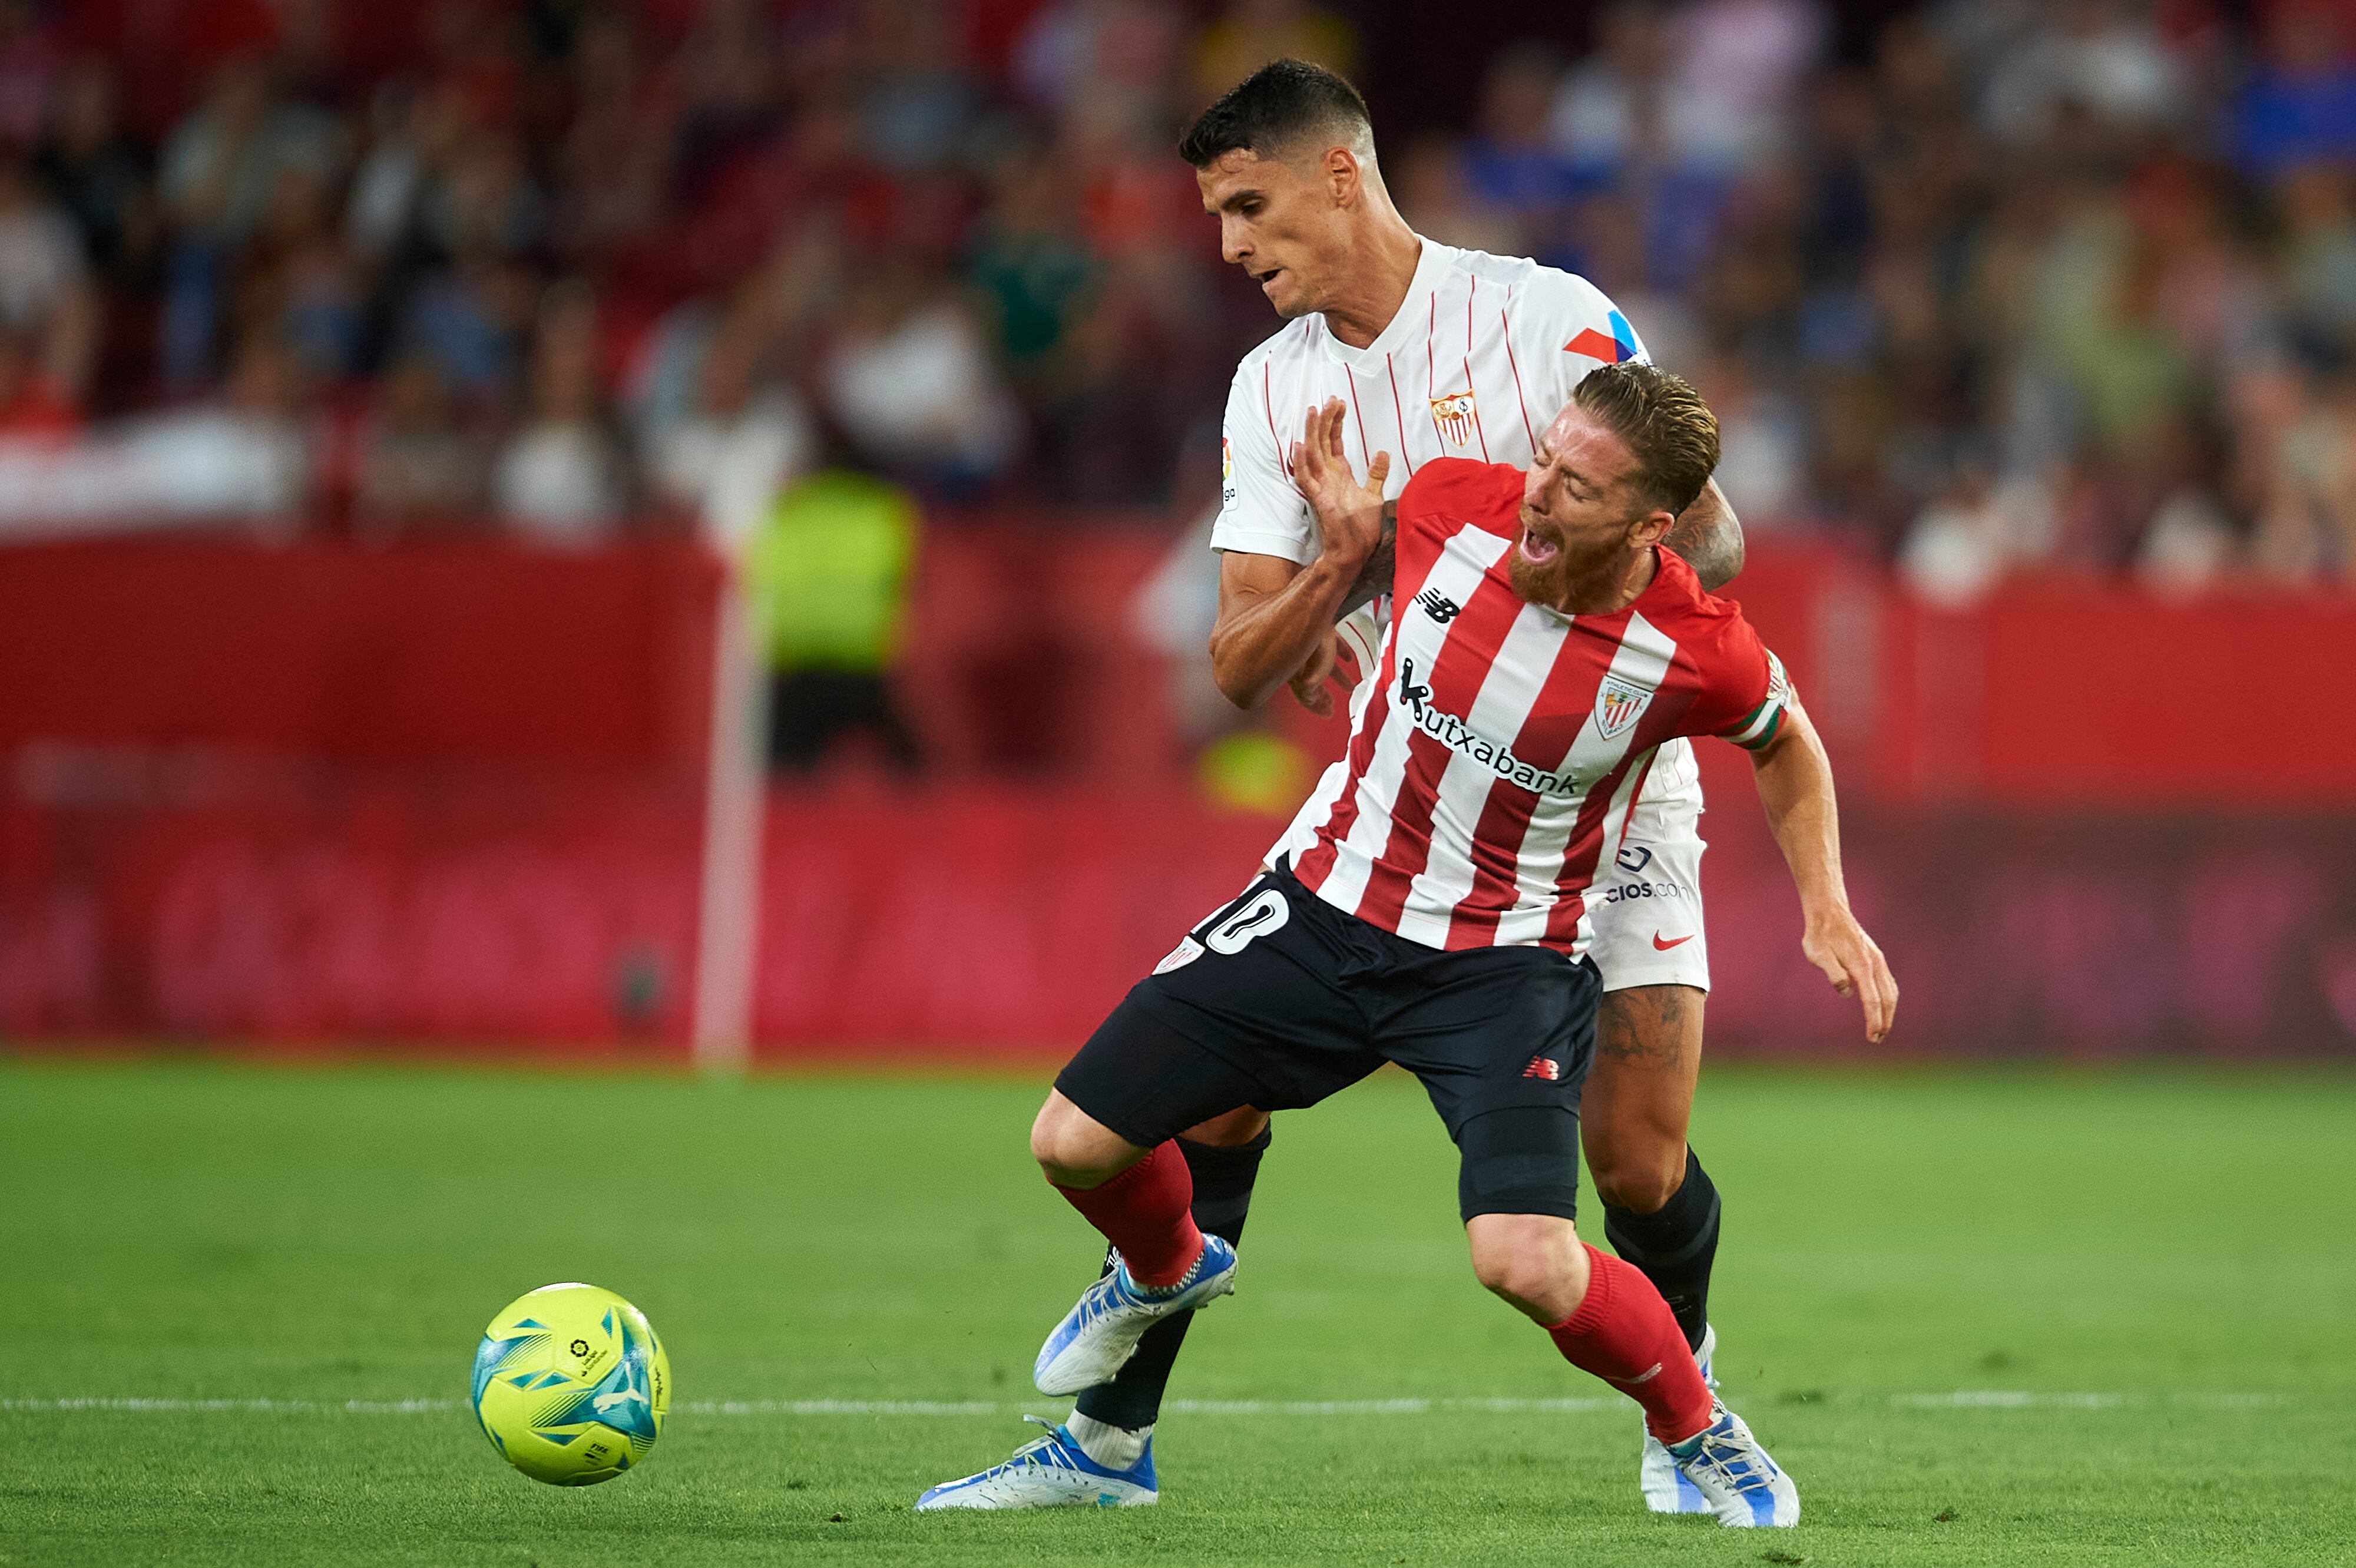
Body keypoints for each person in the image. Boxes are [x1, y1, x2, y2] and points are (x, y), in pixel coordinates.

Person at [923, 57, 1791, 1515]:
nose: (1230, 246)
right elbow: (1237, 659)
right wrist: (1335, 570)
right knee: (1210, 1104)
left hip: (1608, 797)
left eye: (1247, 205)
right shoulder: (1272, 388)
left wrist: (1511, 578)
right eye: (1215, 216)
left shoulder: (1544, 318)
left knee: (1635, 1168)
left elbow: (1710, 546)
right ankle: (1107, 1447)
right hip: (1413, 803)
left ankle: (1680, 1390)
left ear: (1340, 174)